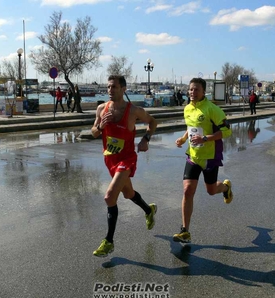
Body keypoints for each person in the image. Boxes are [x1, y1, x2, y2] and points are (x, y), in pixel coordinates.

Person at [91, 75, 158, 257]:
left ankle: (109, 241)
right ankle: (149, 209)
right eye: (108, 87)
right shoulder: (101, 109)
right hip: (110, 160)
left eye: (114, 87)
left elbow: (153, 122)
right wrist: (101, 126)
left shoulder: (133, 111)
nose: (110, 91)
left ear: (123, 89)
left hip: (127, 159)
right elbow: (94, 132)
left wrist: (146, 138)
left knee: (109, 197)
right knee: (128, 194)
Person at [172, 77, 233, 244]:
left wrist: (205, 138)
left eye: (196, 89)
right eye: (191, 89)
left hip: (210, 156)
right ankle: (185, 230)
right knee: (187, 190)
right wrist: (184, 139)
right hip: (193, 156)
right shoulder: (187, 109)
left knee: (211, 191)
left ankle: (226, 187)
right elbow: (190, 128)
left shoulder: (212, 109)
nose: (192, 92)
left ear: (203, 91)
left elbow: (227, 131)